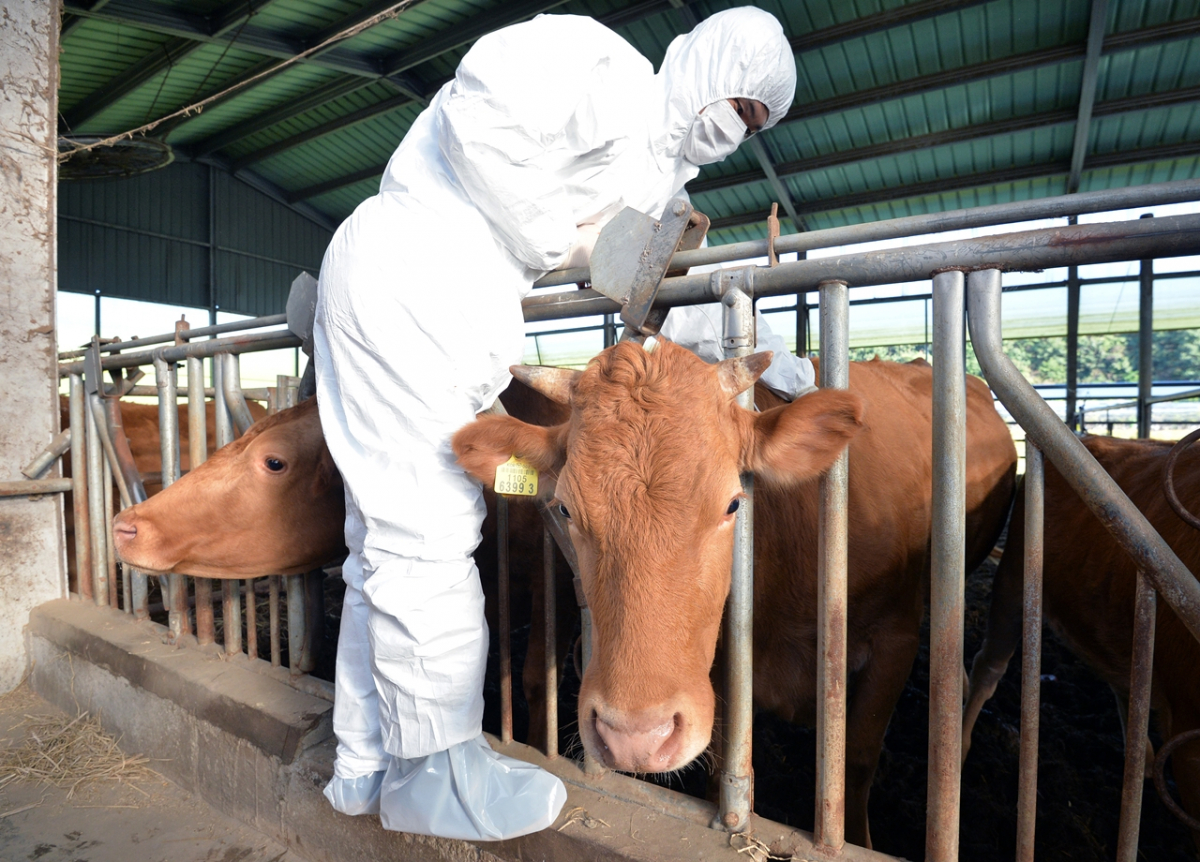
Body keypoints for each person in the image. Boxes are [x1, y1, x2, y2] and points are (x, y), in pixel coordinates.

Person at [312, 7, 797, 841]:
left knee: (379, 539)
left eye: (752, 124)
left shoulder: (662, 188)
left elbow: (656, 304)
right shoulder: (600, 64)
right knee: (429, 532)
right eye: (737, 101)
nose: (734, 127)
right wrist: (560, 240)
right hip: (416, 268)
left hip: (455, 298)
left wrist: (772, 362)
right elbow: (475, 116)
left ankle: (363, 761)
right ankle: (436, 772)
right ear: (706, 62)